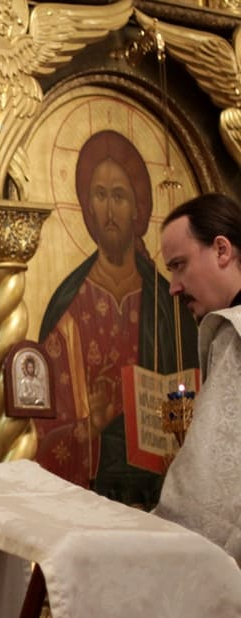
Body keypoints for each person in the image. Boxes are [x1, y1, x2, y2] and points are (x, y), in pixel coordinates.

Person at [36, 130, 198, 506]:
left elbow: (192, 385)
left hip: (167, 493)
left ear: (138, 208)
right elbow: (40, 428)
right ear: (87, 207)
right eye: (100, 195)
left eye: (120, 196)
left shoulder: (167, 300)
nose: (110, 211)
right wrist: (87, 425)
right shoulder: (68, 307)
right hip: (95, 495)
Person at [154, 192, 241, 563]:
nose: (173, 286)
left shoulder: (234, 335)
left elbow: (204, 498)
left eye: (179, 265)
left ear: (222, 250)